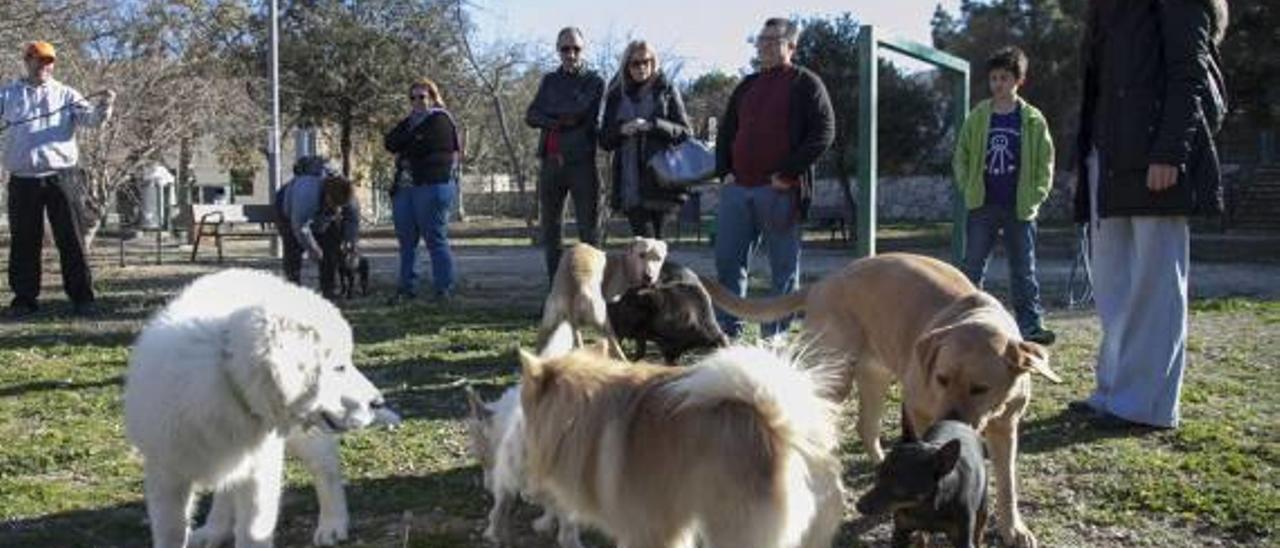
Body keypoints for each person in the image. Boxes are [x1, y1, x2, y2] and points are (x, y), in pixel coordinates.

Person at [1069, 0, 1229, 430]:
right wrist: (1083, 160)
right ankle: (1112, 391)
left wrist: (1170, 152)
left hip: (1157, 157)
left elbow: (1188, 72)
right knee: (1112, 283)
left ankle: (1145, 406)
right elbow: (1097, 89)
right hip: (1107, 157)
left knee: (1156, 285)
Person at [713, 18, 834, 340]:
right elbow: (727, 132)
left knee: (782, 270)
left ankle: (775, 337)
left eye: (772, 40)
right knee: (728, 263)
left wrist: (788, 173)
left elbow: (824, 132)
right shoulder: (747, 85)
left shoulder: (806, 83)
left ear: (791, 46)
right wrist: (724, 172)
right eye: (760, 40)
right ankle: (728, 331)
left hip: (779, 191)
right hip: (737, 190)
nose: (763, 45)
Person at [1, 41, 115, 319]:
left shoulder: (66, 94)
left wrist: (105, 106)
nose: (44, 66)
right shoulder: (7, 94)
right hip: (22, 179)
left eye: (49, 61)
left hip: (62, 178)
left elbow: (92, 120)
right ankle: (25, 299)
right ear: (26, 61)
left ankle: (82, 298)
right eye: (39, 60)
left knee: (71, 239)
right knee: (24, 240)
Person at [952, 46, 1057, 346]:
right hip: (983, 206)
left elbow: (1045, 163)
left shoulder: (1033, 120)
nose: (998, 83)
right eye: (994, 78)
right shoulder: (978, 117)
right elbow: (962, 154)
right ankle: (966, 321)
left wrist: (1036, 195)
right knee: (971, 267)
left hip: (1019, 209)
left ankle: (1030, 326)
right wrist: (967, 186)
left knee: (1023, 270)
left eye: (1004, 78)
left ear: (1018, 81)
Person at [525, 27, 606, 281]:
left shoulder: (594, 80)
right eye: (565, 49)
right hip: (551, 163)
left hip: (581, 163)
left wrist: (550, 116)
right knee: (551, 232)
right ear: (558, 50)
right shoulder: (549, 80)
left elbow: (580, 113)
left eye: (576, 49)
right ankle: (556, 292)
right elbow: (531, 115)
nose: (570, 54)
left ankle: (592, 293)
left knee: (589, 232)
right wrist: (558, 121)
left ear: (583, 49)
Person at [600, 40, 693, 240]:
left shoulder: (665, 88)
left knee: (655, 247)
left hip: (662, 181)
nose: (642, 67)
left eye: (647, 62)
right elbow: (605, 140)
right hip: (629, 185)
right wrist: (622, 130)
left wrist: (653, 125)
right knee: (645, 242)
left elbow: (685, 132)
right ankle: (649, 272)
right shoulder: (616, 93)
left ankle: (655, 272)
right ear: (627, 65)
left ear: (654, 62)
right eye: (636, 63)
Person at [383, 78, 459, 302]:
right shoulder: (408, 122)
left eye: (422, 97)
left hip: (432, 186)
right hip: (405, 188)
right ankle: (407, 288)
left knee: (435, 238)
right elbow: (390, 142)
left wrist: (407, 146)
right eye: (413, 97)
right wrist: (411, 142)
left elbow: (424, 147)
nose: (417, 102)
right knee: (406, 242)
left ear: (433, 98)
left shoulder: (441, 120)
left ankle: (443, 289)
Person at [274, 157, 357, 300]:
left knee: (331, 247)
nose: (337, 209)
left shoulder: (347, 192)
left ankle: (328, 290)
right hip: (287, 209)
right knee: (292, 246)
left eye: (340, 206)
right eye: (334, 204)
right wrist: (313, 249)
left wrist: (349, 241)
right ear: (327, 194)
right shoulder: (306, 195)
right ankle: (293, 291)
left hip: (317, 212)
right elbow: (300, 227)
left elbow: (352, 219)